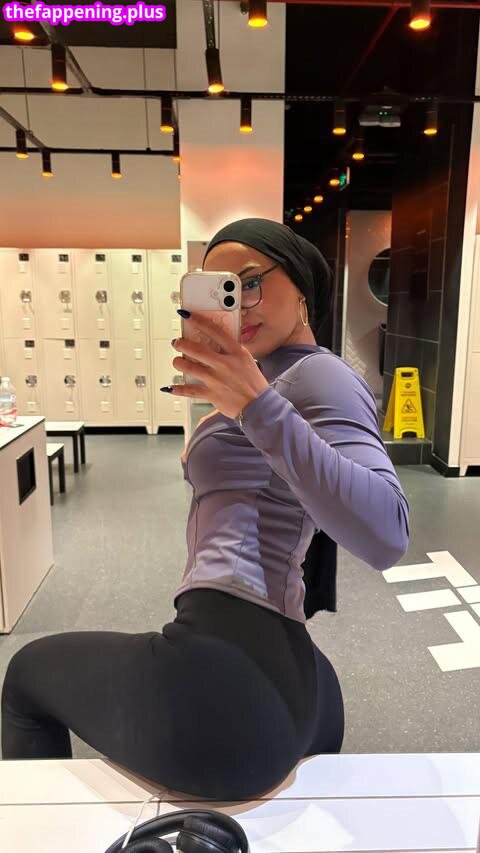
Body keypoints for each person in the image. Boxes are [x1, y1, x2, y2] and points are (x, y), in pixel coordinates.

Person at [1, 218, 410, 802]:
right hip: (288, 677)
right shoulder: (259, 378)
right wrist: (244, 405)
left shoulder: (318, 375)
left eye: (250, 281)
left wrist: (257, 407)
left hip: (228, 686)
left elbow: (387, 533)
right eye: (220, 290)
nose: (238, 303)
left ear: (300, 287)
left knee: (25, 675)